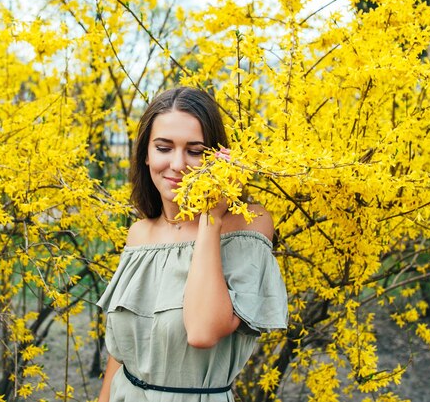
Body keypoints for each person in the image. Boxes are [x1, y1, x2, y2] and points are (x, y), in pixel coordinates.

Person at [96, 87, 288, 402]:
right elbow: (122, 354)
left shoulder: (248, 224)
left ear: (217, 158)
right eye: (163, 147)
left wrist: (211, 217)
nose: (177, 164)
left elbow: (202, 331)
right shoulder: (139, 234)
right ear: (146, 154)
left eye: (195, 151)